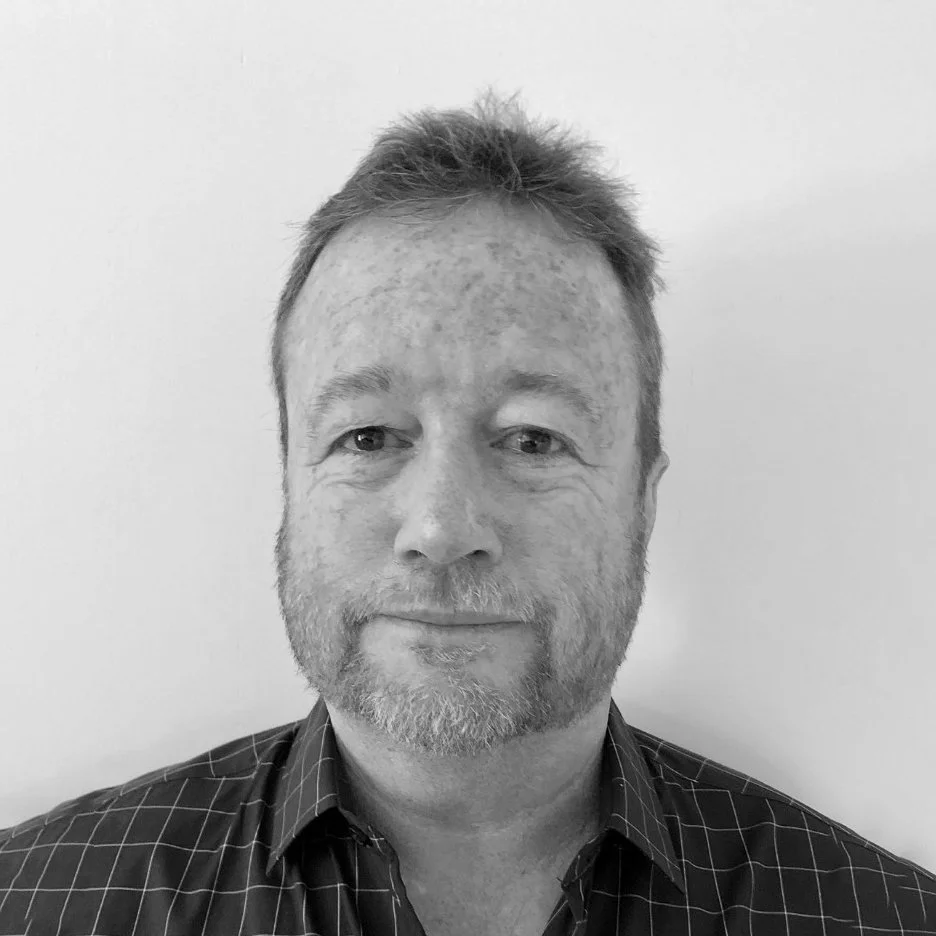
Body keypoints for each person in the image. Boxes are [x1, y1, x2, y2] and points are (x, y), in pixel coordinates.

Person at [1, 90, 933, 936]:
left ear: (643, 502)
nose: (442, 528)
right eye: (368, 437)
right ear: (290, 483)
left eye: (533, 439)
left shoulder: (880, 918)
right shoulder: (35, 902)